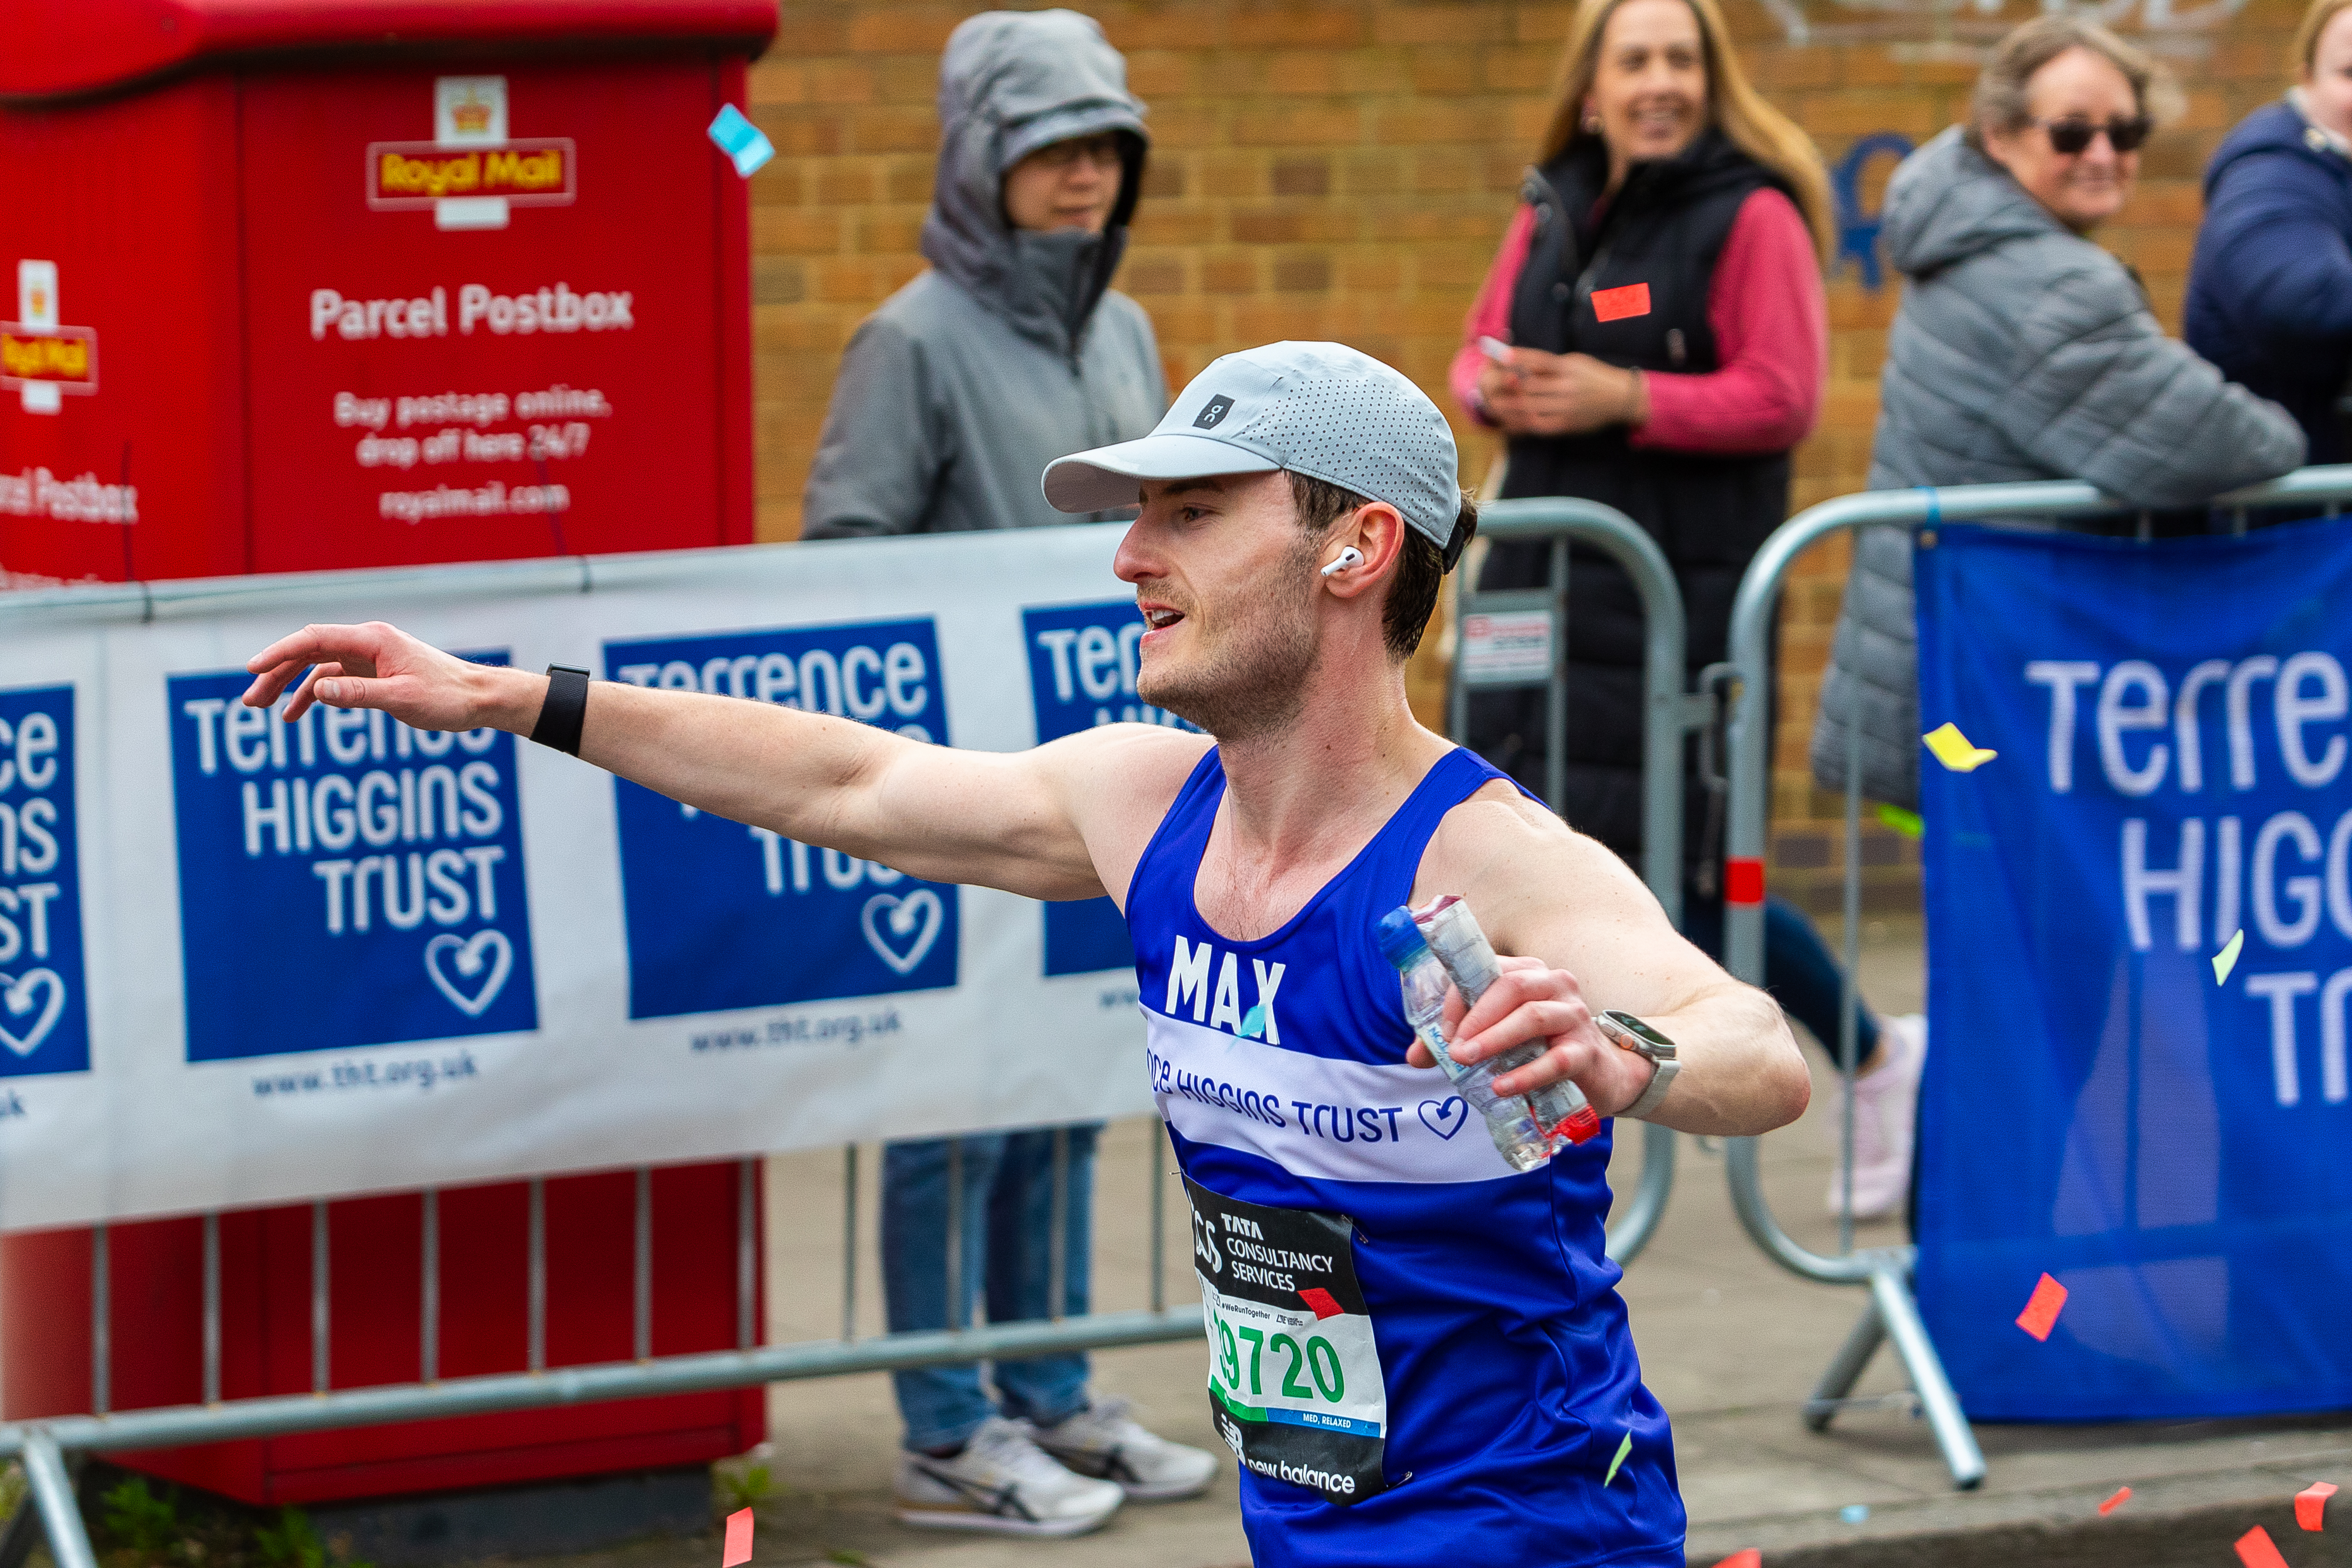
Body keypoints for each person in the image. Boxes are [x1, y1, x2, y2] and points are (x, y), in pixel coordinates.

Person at [242, 341, 1811, 1565]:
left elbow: (1753, 1043)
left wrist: (1630, 1053)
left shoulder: (1491, 860)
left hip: (1528, 1523)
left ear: (1354, 550)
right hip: (1310, 1514)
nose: (1131, 552)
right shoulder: (1142, 806)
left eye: (1190, 513)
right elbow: (849, 781)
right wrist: (513, 697)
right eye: (1138, 513)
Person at [792, 9, 1207, 1536]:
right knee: (948, 1107)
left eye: (1106, 147)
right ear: (985, 160)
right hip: (965, 790)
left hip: (1095, 787)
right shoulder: (907, 339)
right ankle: (943, 1421)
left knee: (1054, 1087)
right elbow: (840, 566)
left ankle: (1051, 1385)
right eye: (1051, 148)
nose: (1085, 175)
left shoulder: (1127, 331)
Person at [1452, 0, 1920, 1217]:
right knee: (1516, 850)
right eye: (1635, 59)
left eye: (1681, 60)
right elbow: (1475, 350)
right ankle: (1534, 1144)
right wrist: (1494, 385)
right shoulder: (1551, 198)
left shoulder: (1753, 210)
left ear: (1710, 82)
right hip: (1542, 593)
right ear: (1592, 85)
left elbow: (1783, 393)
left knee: (1695, 873)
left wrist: (1626, 395)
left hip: (1677, 599)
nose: (1659, 81)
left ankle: (1874, 1057)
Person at [1813, 15, 2306, 814]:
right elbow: (2224, 442)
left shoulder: (1961, 235)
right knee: (2015, 935)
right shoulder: (2052, 284)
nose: (2104, 156)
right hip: (1989, 703)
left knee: (1981, 933)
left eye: (2126, 130)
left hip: (1945, 682)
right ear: (1999, 137)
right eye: (2072, 133)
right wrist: (2297, 434)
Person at [2184, 0, 2352, 465]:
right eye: (2351, 73)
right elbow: (2305, 303)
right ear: (2306, 79)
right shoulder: (2271, 174)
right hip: (2289, 519)